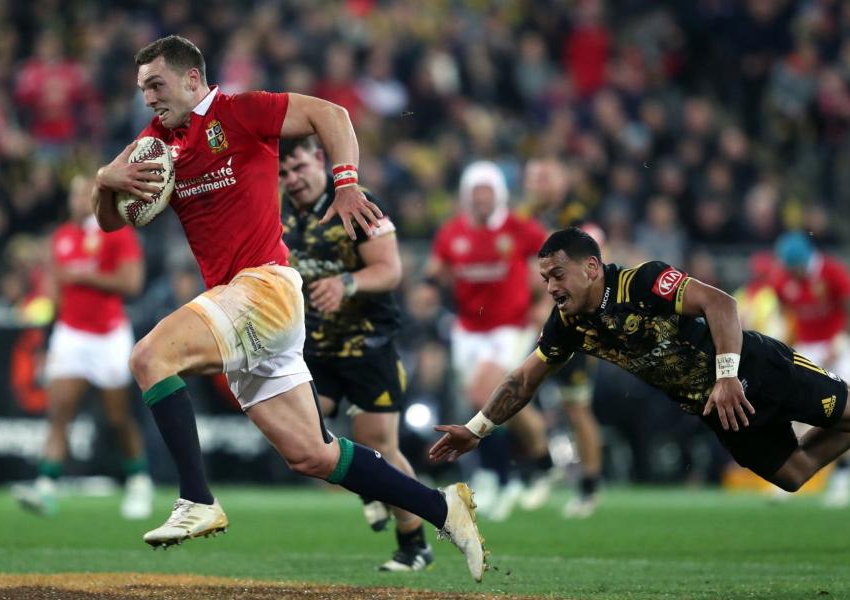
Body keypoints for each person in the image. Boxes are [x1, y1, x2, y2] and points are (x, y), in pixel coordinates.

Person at [91, 35, 485, 581]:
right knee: (313, 457)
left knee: (148, 358)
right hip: (245, 306)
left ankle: (196, 498)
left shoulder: (243, 111)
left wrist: (345, 184)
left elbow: (333, 114)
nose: (148, 98)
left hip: (263, 288)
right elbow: (112, 221)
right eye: (141, 89)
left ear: (191, 79)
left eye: (156, 85)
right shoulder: (154, 143)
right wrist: (103, 182)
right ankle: (445, 510)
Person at [430, 228, 850, 503]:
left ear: (590, 268)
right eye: (544, 279)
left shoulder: (643, 282)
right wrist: (478, 428)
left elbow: (722, 304)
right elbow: (522, 379)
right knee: (793, 475)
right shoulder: (568, 324)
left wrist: (728, 376)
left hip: (753, 367)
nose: (552, 288)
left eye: (558, 275)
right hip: (711, 403)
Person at [279, 136, 432, 572]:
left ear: (320, 161)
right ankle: (368, 483)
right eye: (283, 173)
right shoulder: (282, 214)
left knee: (378, 442)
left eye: (299, 167)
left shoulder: (357, 202)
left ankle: (414, 542)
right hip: (316, 349)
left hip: (368, 344)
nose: (293, 180)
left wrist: (347, 283)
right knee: (297, 437)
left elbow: (390, 270)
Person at [12, 175, 153, 519]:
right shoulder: (61, 238)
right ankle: (46, 487)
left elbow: (132, 283)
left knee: (117, 417)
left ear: (97, 196)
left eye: (83, 194)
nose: (77, 200)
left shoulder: (118, 232)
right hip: (70, 334)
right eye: (73, 194)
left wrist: (85, 276)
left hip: (108, 335)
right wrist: (45, 334)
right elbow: (53, 292)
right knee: (59, 414)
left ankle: (138, 480)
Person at [425, 161, 556, 521]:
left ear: (498, 195)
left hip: (509, 327)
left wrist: (544, 303)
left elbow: (554, 264)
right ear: (467, 196)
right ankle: (540, 461)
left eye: (488, 192)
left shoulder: (519, 229)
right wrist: (430, 287)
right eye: (476, 192)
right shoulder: (452, 233)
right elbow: (434, 272)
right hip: (469, 330)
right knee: (492, 401)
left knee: (490, 393)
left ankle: (497, 474)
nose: (482, 199)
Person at [519, 159, 604, 518]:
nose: (538, 183)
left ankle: (588, 485)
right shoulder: (521, 218)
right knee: (513, 390)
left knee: (575, 406)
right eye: (534, 177)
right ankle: (541, 465)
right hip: (525, 320)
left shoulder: (576, 215)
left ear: (561, 180)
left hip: (572, 321)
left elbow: (594, 260)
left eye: (546, 176)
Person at [771, 231, 850, 506]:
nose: (790, 274)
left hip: (837, 345)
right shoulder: (784, 280)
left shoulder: (832, 272)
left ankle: (843, 479)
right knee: (794, 414)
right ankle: (787, 478)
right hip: (807, 348)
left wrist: (842, 342)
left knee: (842, 412)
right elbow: (786, 312)